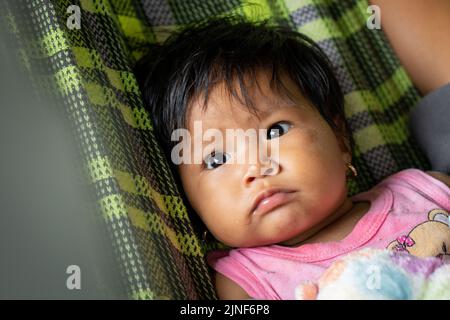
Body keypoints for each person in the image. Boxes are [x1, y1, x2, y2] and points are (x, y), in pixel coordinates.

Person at [135, 16, 450, 300]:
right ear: (192, 205)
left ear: (339, 137)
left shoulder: (423, 190)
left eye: (275, 131)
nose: (256, 167)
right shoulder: (246, 284)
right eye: (216, 159)